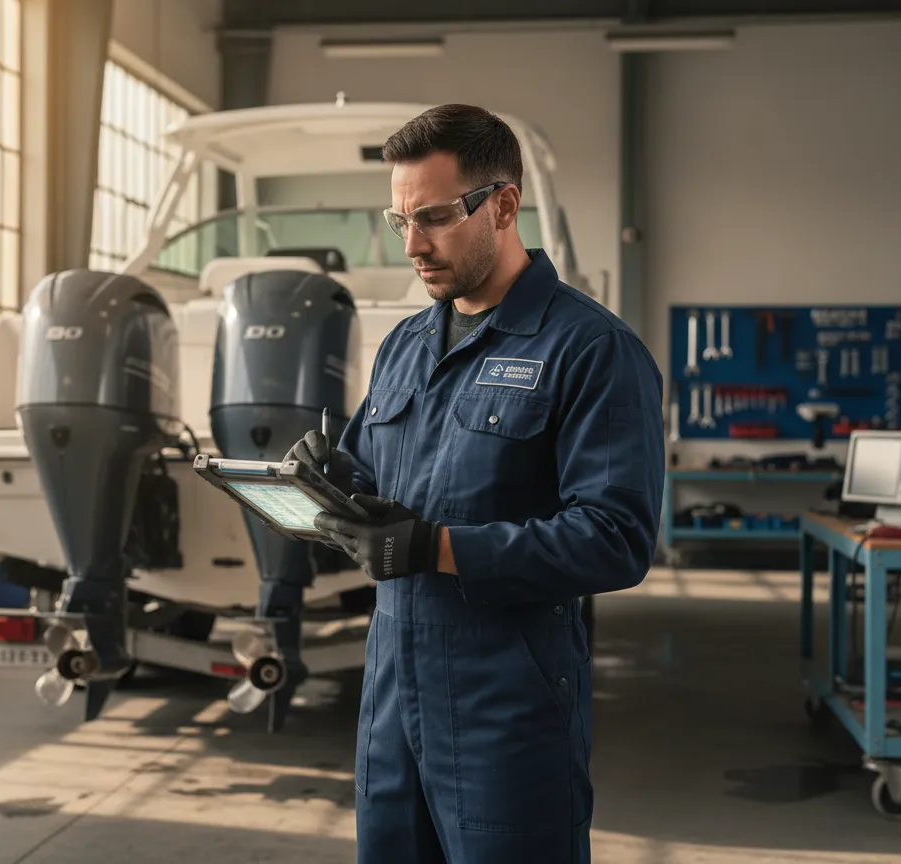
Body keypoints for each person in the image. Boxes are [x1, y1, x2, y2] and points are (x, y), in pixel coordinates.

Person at [284, 103, 665, 864]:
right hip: (393, 696)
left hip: (508, 706)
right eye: (399, 222)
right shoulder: (406, 344)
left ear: (504, 205)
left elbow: (617, 539)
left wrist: (437, 547)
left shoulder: (590, 350)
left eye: (431, 217)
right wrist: (329, 483)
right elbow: (372, 476)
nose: (414, 246)